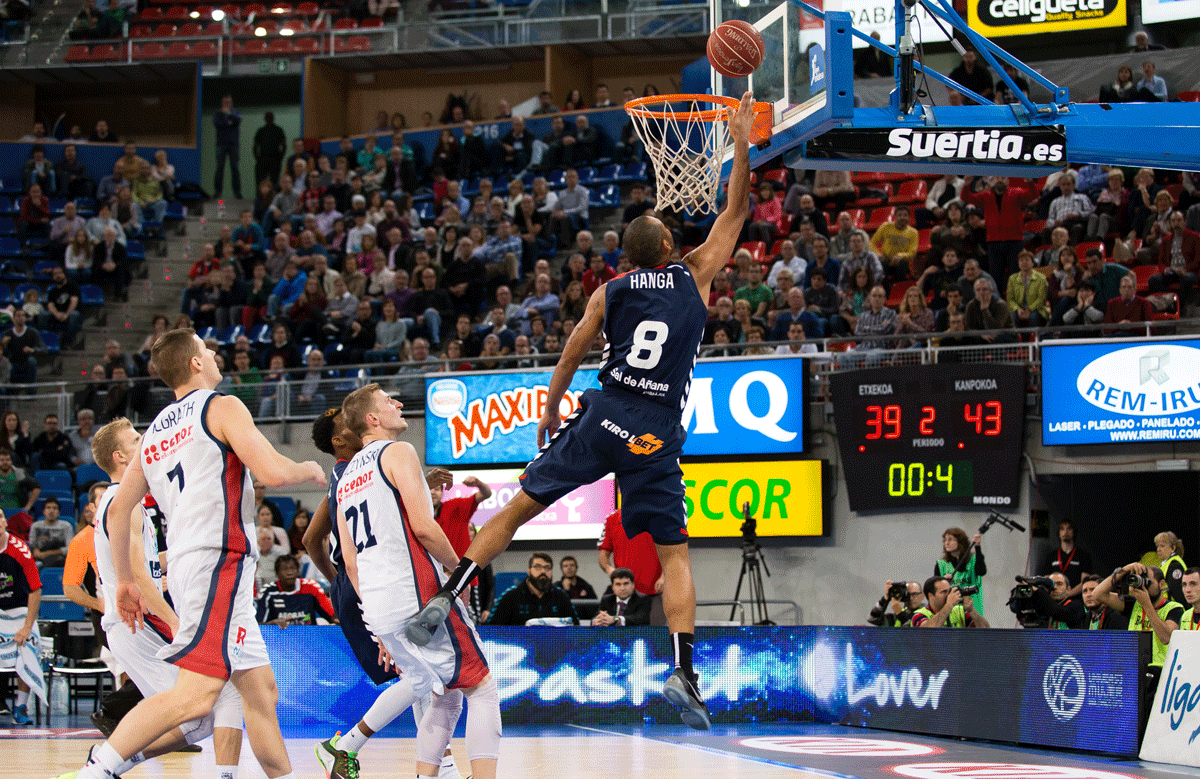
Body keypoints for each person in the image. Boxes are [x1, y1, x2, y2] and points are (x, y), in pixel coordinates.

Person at [406, 92, 760, 732]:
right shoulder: (695, 274)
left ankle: (445, 599)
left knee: (516, 509)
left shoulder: (609, 291)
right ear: (670, 245)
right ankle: (684, 673)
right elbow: (734, 211)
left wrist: (549, 410)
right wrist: (739, 140)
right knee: (675, 558)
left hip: (603, 413)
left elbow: (572, 350)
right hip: (653, 430)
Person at [62, 329, 325, 779]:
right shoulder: (221, 406)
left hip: (192, 565)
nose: (215, 353)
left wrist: (124, 581)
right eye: (206, 348)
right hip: (217, 560)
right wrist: (309, 468)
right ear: (195, 363)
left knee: (260, 692)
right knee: (195, 697)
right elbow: (273, 473)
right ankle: (99, 769)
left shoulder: (154, 432)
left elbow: (119, 510)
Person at [332, 386, 500, 779]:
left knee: (443, 691)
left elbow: (351, 563)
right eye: (387, 400)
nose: (398, 403)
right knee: (482, 688)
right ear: (373, 419)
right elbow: (424, 527)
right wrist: (460, 571)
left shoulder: (345, 478)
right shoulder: (398, 452)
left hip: (378, 607)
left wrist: (378, 624)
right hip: (418, 595)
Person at [79, 417, 246, 779]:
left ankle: (107, 762)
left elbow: (147, 564)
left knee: (208, 710)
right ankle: (104, 764)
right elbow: (137, 574)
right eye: (136, 440)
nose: (146, 443)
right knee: (204, 704)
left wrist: (191, 552)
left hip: (135, 622)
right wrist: (175, 621)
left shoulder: (125, 501)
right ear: (120, 456)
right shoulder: (124, 501)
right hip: (138, 622)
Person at [301, 409, 464, 779]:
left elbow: (312, 539)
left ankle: (442, 767)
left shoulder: (344, 477)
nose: (357, 422)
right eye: (347, 422)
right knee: (423, 674)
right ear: (338, 440)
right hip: (371, 584)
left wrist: (339, 584)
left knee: (421, 675)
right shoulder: (354, 474)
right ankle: (345, 746)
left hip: (361, 583)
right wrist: (347, 586)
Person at [1092, 563, 1181, 677]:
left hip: (1161, 671)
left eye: (1147, 582)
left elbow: (1166, 637)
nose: (1144, 587)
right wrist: (1125, 569)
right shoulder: (1134, 604)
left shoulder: (1174, 608)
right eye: (1140, 581)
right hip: (1134, 669)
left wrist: (1146, 604)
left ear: (1162, 584)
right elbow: (1097, 594)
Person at [0, 510, 41, 725]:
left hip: (19, 610)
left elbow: (35, 590)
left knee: (29, 642)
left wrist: (26, 627)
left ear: (5, 522)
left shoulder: (20, 549)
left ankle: (21, 706)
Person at [487, 552, 578, 626]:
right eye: (538, 567)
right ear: (529, 571)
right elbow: (491, 630)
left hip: (553, 642)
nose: (543, 571)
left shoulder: (561, 596)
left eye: (547, 568)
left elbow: (575, 628)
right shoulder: (510, 596)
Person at [256, 556, 337, 626]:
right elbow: (259, 624)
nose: (290, 573)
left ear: (298, 571)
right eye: (284, 569)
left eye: (293, 568)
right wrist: (272, 624)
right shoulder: (268, 591)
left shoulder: (311, 587)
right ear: (277, 573)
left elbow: (332, 617)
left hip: (308, 635)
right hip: (279, 635)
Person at [935, 527, 985, 614]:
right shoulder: (941, 564)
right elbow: (935, 591)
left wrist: (977, 547)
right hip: (952, 613)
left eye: (950, 539)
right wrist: (943, 582)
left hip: (973, 612)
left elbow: (982, 572)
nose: (946, 543)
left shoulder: (974, 560)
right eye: (945, 540)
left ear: (960, 542)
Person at [1038, 519, 1093, 598]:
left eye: (1069, 528)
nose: (1065, 532)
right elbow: (1046, 579)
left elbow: (1084, 582)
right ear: (1059, 533)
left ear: (1074, 532)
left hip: (1075, 598)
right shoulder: (1051, 556)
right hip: (1055, 598)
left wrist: (1068, 594)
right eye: (1062, 529)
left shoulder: (1083, 556)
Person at [911, 576, 989, 627]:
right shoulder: (919, 615)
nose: (949, 595)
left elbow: (986, 633)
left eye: (949, 591)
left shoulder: (959, 611)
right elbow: (926, 632)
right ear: (930, 595)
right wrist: (949, 605)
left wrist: (972, 610)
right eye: (944, 592)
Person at [212, 95, 243, 199]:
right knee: (219, 167)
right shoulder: (217, 113)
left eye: (229, 102)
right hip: (221, 144)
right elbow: (217, 124)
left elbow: (238, 121)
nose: (227, 104)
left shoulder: (236, 113)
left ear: (232, 103)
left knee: (235, 168)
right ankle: (217, 192)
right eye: (225, 102)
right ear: (222, 103)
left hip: (233, 145)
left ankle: (237, 192)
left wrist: (229, 115)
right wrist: (228, 122)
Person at [29, 496, 74, 567]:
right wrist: (35, 550)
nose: (51, 511)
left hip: (61, 558)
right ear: (44, 512)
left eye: (54, 508)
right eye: (48, 508)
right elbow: (31, 544)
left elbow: (70, 548)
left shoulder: (66, 526)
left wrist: (48, 553)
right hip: (40, 557)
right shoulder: (35, 526)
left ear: (59, 513)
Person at [253, 112, 287, 187]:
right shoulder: (261, 131)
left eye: (270, 118)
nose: (268, 119)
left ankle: (274, 195)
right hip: (263, 158)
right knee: (260, 181)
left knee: (274, 181)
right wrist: (258, 159)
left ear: (273, 118)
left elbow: (284, 145)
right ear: (265, 119)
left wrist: (280, 158)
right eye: (267, 118)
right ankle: (260, 195)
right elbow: (255, 146)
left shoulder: (278, 130)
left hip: (275, 158)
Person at [1155, 530, 1187, 605]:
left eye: (1162, 546)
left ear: (1173, 548)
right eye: (1157, 546)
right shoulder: (1166, 564)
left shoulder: (1174, 565)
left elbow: (1178, 594)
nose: (1158, 549)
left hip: (1174, 608)